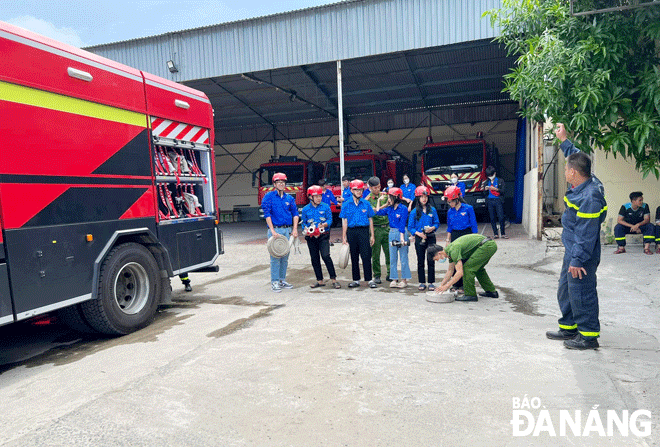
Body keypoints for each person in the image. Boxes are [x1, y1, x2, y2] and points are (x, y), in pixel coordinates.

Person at [545, 123, 607, 350]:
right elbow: (575, 157)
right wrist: (563, 139)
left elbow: (587, 233)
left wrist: (578, 259)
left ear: (572, 173)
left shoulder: (589, 197)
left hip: (583, 250)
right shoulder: (586, 178)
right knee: (566, 287)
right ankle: (569, 327)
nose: (565, 170)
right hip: (573, 247)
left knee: (582, 291)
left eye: (566, 169)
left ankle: (588, 336)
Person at [426, 234, 498, 302]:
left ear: (439, 253)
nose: (438, 261)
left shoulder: (453, 250)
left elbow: (460, 272)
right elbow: (450, 271)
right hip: (488, 245)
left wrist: (447, 286)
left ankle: (470, 295)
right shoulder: (449, 251)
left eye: (436, 259)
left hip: (487, 246)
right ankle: (491, 292)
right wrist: (441, 285)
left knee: (467, 268)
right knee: (478, 269)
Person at [262, 172, 299, 293]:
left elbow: (295, 214)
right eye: (279, 182)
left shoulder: (289, 198)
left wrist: (294, 229)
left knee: (285, 257)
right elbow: (267, 214)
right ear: (274, 184)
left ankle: (282, 280)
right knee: (275, 257)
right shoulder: (268, 197)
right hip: (276, 230)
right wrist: (272, 230)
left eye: (283, 182)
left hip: (287, 230)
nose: (281, 184)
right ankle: (275, 281)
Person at [301, 186, 340, 289]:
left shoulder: (326, 207)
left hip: (323, 236)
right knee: (314, 258)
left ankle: (334, 279)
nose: (319, 198)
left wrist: (324, 225)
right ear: (310, 197)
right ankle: (320, 280)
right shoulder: (305, 209)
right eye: (316, 196)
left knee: (326, 256)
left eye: (320, 196)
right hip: (311, 237)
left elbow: (330, 219)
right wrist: (306, 229)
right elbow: (303, 222)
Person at [340, 179, 376, 288]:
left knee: (366, 255)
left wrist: (372, 235)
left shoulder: (366, 203)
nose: (359, 192)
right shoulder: (346, 204)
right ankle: (356, 280)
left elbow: (370, 219)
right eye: (356, 190)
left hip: (364, 231)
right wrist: (344, 236)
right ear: (351, 190)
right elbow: (345, 221)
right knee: (354, 256)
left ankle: (369, 279)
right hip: (352, 232)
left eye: (361, 190)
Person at [444, 185, 478, 293]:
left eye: (451, 201)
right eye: (448, 202)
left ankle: (464, 285)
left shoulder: (468, 208)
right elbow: (449, 227)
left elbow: (474, 225)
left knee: (465, 260)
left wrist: (475, 239)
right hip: (455, 235)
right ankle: (455, 284)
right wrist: (447, 240)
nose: (450, 204)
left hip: (466, 234)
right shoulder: (450, 211)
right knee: (454, 260)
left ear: (457, 198)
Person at [375, 187, 411, 288]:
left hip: (401, 232)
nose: (388, 199)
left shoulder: (403, 208)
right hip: (391, 233)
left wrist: (402, 238)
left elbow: (402, 224)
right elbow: (378, 212)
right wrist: (380, 201)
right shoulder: (389, 209)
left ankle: (404, 280)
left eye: (390, 197)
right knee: (392, 258)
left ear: (396, 197)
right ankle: (394, 278)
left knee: (403, 258)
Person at [407, 186, 440, 291]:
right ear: (418, 198)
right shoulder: (414, 211)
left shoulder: (432, 210)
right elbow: (410, 227)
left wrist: (433, 228)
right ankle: (421, 282)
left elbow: (437, 222)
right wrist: (418, 234)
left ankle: (431, 282)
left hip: (430, 237)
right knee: (420, 260)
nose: (424, 199)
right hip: (419, 237)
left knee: (431, 260)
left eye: (425, 196)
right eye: (421, 197)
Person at [365, 176, 391, 283]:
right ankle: (377, 275)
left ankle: (390, 273)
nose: (378, 189)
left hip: (387, 226)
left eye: (379, 186)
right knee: (375, 254)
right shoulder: (367, 199)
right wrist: (384, 205)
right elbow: (373, 211)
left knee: (389, 252)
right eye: (375, 187)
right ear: (370, 188)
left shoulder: (385, 195)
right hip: (375, 228)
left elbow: (391, 205)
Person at [483, 166, 508, 239]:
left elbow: (503, 191)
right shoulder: (486, 182)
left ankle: (503, 233)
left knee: (501, 217)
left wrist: (496, 189)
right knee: (492, 218)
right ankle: (495, 234)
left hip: (498, 200)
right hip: (490, 201)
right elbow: (484, 193)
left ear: (494, 173)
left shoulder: (500, 181)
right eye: (489, 176)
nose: (490, 177)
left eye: (491, 175)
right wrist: (485, 189)